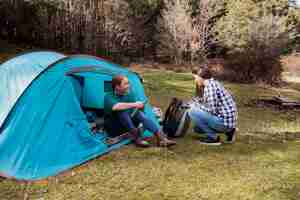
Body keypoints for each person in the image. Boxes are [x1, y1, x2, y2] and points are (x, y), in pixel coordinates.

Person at [104, 75, 176, 147]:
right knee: (122, 111)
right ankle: (137, 138)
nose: (129, 86)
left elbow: (135, 110)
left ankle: (161, 139)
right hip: (115, 127)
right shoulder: (108, 96)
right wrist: (135, 104)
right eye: (125, 84)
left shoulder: (129, 94)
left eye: (128, 83)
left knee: (139, 114)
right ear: (117, 86)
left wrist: (140, 107)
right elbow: (116, 107)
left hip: (129, 124)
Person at [188, 66, 238, 145]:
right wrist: (194, 102)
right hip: (228, 122)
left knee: (191, 111)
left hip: (224, 122)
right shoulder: (213, 83)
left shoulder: (210, 87)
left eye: (195, 78)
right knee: (197, 129)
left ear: (201, 77)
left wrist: (195, 106)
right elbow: (207, 101)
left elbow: (212, 111)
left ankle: (213, 138)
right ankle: (230, 132)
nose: (195, 80)